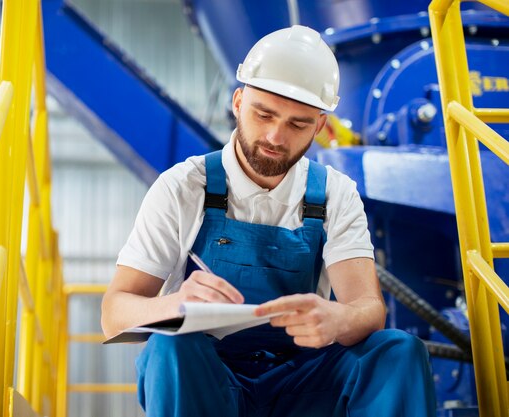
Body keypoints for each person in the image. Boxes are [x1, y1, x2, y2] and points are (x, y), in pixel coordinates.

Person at [101, 25, 435, 417]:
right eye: (264, 114)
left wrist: (337, 319)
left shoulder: (335, 193)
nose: (276, 136)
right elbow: (114, 313)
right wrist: (174, 304)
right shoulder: (182, 187)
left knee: (398, 351)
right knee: (169, 345)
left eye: (298, 124)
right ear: (239, 102)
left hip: (307, 382)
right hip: (209, 383)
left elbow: (368, 308)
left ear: (320, 127)